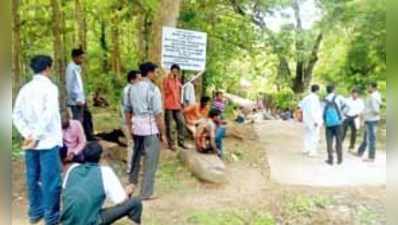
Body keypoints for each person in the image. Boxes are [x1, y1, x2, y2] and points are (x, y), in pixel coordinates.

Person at [13, 55, 63, 225]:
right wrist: (36, 135)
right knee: (51, 180)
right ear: (48, 68)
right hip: (47, 141)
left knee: (33, 178)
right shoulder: (50, 88)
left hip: (30, 142)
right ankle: (51, 217)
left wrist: (27, 134)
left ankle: (35, 213)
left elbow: (16, 115)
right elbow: (48, 115)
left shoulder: (25, 89)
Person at [61, 142, 142, 225]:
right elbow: (120, 200)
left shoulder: (72, 169)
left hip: (68, 220)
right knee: (135, 203)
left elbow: (66, 192)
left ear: (83, 155)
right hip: (90, 221)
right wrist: (128, 190)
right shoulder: (105, 172)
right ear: (100, 157)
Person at [125, 62, 167, 200]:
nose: (156, 75)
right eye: (155, 72)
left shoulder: (131, 88)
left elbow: (128, 111)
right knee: (151, 161)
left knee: (136, 158)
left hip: (136, 127)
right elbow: (158, 114)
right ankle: (146, 192)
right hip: (149, 128)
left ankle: (131, 185)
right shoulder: (153, 89)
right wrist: (163, 133)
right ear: (149, 73)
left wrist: (129, 127)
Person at [66, 48, 95, 141]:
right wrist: (75, 99)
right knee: (78, 121)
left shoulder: (77, 68)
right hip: (76, 101)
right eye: (81, 58)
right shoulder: (71, 69)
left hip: (81, 98)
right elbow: (69, 86)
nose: (82, 60)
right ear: (75, 57)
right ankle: (77, 141)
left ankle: (89, 136)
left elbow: (78, 85)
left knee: (87, 116)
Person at [163, 64, 189, 150]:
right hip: (169, 105)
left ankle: (181, 142)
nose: (175, 72)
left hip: (177, 106)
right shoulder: (166, 79)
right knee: (170, 125)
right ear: (171, 70)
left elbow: (179, 93)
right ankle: (171, 144)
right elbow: (166, 91)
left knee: (182, 123)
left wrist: (181, 103)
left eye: (177, 71)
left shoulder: (177, 80)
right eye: (173, 70)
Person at [121, 70, 141, 173]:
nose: (140, 81)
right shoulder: (129, 91)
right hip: (129, 122)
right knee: (132, 143)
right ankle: (131, 167)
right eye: (138, 79)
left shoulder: (130, 90)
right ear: (132, 80)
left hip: (131, 121)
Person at [357, 83, 382, 162]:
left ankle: (371, 157)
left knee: (371, 139)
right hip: (369, 119)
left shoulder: (373, 97)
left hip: (371, 120)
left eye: (369, 87)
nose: (368, 88)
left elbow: (376, 110)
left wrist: (365, 113)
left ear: (373, 88)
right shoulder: (376, 95)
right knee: (366, 136)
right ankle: (360, 152)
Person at [324, 85, 347, 165]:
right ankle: (339, 160)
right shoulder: (339, 97)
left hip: (328, 124)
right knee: (339, 141)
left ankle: (330, 160)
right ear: (334, 90)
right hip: (338, 123)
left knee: (329, 141)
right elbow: (348, 106)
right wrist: (342, 113)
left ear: (327, 91)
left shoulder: (325, 99)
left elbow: (322, 112)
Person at [298, 84, 323, 157]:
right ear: (317, 90)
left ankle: (306, 149)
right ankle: (312, 152)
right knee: (314, 135)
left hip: (306, 120)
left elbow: (300, 106)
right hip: (313, 120)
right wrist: (316, 120)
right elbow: (314, 110)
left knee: (307, 135)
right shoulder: (315, 98)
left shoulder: (306, 97)